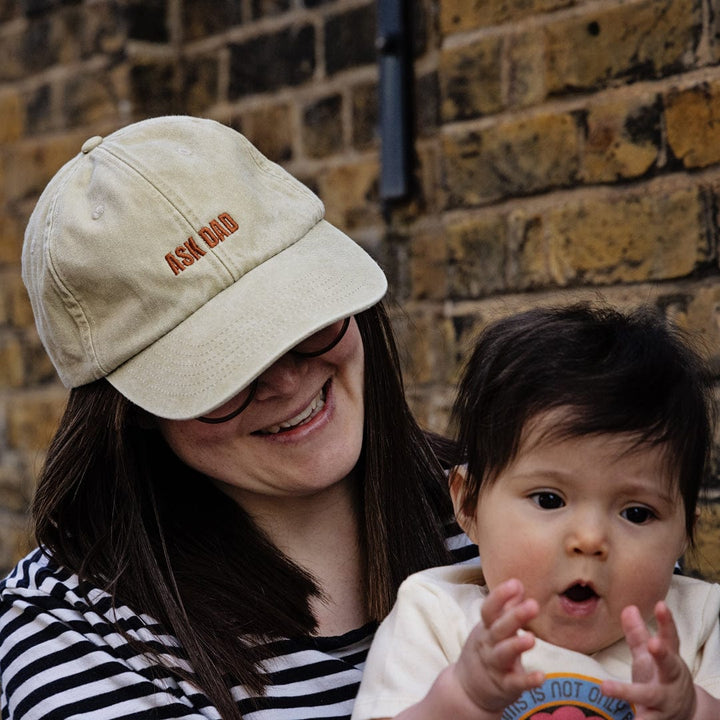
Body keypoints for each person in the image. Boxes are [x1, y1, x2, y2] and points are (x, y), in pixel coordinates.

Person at [0, 116, 475, 720]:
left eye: (304, 317)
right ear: (131, 412)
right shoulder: (71, 633)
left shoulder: (526, 506)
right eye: (219, 370)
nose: (283, 379)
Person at [352, 304, 720, 720]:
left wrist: (693, 710)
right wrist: (458, 702)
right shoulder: (437, 618)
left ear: (684, 533)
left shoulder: (697, 624)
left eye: (636, 513)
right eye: (549, 500)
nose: (590, 540)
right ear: (469, 504)